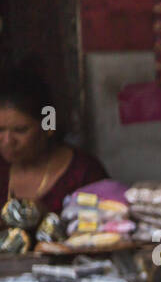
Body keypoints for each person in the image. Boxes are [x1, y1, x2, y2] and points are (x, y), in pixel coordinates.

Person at [0, 72, 109, 213]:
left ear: (48, 124)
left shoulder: (84, 173)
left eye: (20, 130)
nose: (7, 141)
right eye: (0, 130)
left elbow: (108, 224)